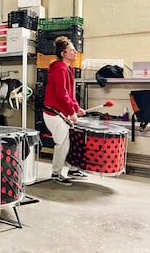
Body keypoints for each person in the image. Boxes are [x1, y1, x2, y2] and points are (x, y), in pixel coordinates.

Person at [42, 36, 87, 186]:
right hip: (53, 113)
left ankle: (73, 169)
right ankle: (56, 173)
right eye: (72, 50)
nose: (75, 53)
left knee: (74, 139)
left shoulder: (68, 69)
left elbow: (69, 93)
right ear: (63, 53)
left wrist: (76, 108)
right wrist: (71, 111)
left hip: (61, 111)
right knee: (62, 143)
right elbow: (61, 94)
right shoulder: (60, 69)